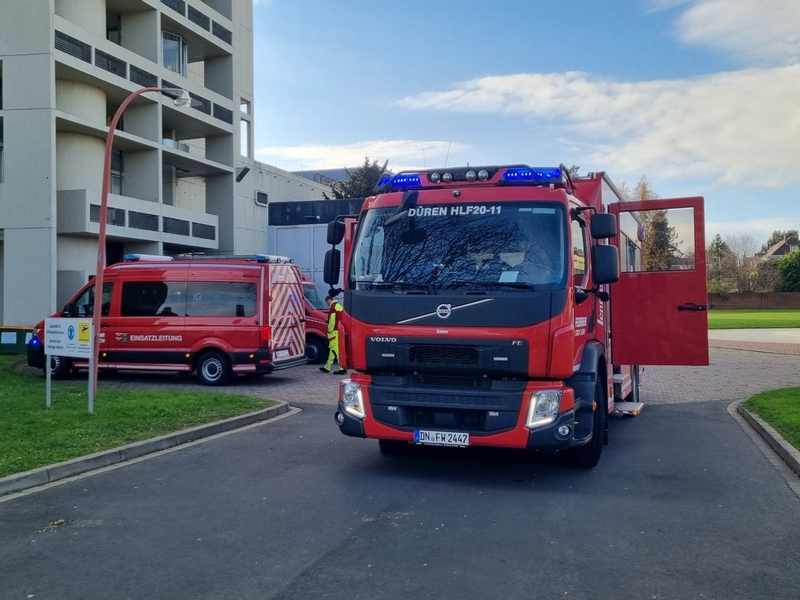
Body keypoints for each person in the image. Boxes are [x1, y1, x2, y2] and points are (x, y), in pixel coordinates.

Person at [320, 295, 347, 374]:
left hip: (334, 332)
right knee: (332, 350)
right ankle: (327, 367)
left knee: (335, 349)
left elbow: (332, 321)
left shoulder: (333, 308)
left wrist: (329, 331)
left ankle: (342, 368)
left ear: (329, 300)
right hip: (339, 330)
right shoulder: (339, 306)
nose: (327, 304)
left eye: (327, 302)